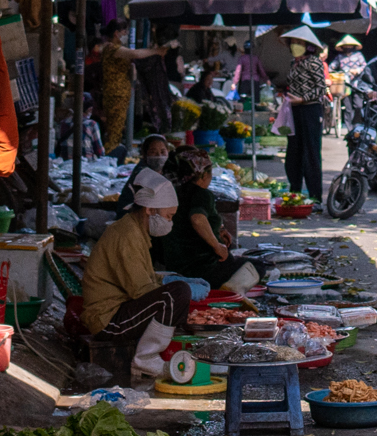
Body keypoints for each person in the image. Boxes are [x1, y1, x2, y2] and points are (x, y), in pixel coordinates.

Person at [82, 169, 192, 380]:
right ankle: (146, 360)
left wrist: (169, 279)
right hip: (107, 320)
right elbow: (141, 291)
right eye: (169, 216)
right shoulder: (127, 234)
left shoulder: (135, 231)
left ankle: (156, 353)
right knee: (176, 294)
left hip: (118, 312)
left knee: (177, 290)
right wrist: (177, 288)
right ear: (150, 210)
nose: (170, 222)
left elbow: (146, 278)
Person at [154, 148, 259, 293]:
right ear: (204, 174)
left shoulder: (174, 192)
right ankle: (226, 294)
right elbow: (197, 219)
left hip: (175, 265)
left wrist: (219, 230)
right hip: (202, 268)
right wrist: (217, 246)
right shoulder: (202, 194)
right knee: (256, 266)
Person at [279, 26, 329, 201]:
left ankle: (315, 196)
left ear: (308, 45)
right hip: (294, 110)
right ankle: (295, 191)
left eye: (298, 42)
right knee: (294, 151)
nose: (295, 45)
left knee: (311, 153)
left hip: (310, 110)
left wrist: (302, 99)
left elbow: (321, 88)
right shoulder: (294, 63)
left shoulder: (314, 62)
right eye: (293, 42)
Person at [99, 19, 168, 141]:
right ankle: (111, 153)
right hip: (115, 95)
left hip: (120, 94)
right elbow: (135, 54)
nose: (126, 34)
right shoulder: (111, 48)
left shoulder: (116, 48)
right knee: (114, 130)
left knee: (118, 128)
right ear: (117, 33)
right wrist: (156, 51)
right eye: (124, 31)